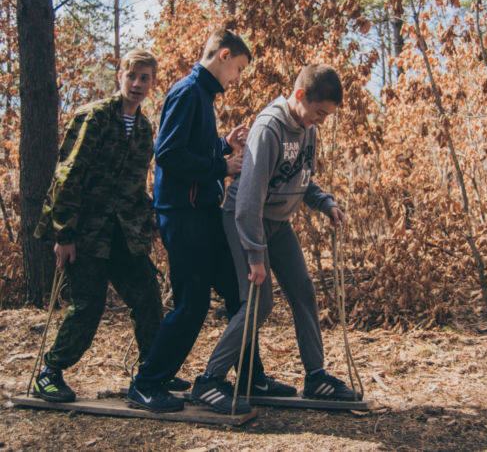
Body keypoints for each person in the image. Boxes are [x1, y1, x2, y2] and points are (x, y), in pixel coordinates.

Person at [127, 29, 295, 414]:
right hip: (182, 216)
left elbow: (191, 149)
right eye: (237, 68)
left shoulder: (201, 95)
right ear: (223, 55)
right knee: (192, 302)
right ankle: (147, 383)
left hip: (203, 214)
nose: (236, 78)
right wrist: (222, 165)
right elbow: (168, 155)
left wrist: (223, 144)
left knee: (240, 296)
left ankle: (252, 378)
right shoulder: (188, 92)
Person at [191, 64, 362, 411]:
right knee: (259, 302)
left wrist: (325, 203)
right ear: (300, 96)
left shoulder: (306, 127)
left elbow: (299, 179)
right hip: (246, 221)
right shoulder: (269, 128)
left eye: (327, 116)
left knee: (303, 289)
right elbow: (249, 199)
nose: (321, 121)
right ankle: (209, 381)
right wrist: (255, 255)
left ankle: (315, 378)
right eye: (319, 113)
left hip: (278, 224)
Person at [32, 49, 190, 403]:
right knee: (89, 304)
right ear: (120, 76)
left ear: (152, 83)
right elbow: (67, 176)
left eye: (144, 78)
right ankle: (50, 373)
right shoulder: (95, 117)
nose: (137, 84)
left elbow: (134, 187)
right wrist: (64, 234)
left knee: (147, 293)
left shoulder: (145, 127)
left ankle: (152, 371)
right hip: (85, 232)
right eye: (131, 76)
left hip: (123, 232)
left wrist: (151, 225)